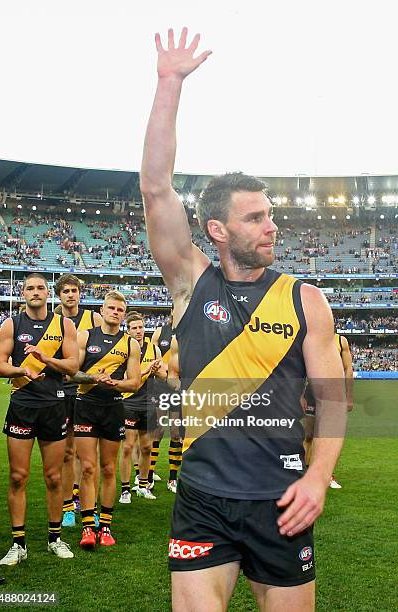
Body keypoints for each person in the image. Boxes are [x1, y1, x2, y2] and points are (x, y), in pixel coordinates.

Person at [140, 28, 347, 611]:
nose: (270, 226)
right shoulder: (190, 281)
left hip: (280, 498)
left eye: (270, 215)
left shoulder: (306, 299)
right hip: (202, 496)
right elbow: (156, 189)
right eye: (254, 218)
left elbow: (332, 399)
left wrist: (316, 478)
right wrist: (168, 84)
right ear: (218, 230)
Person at [0, 272, 79, 565]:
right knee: (18, 477)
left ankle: (55, 538)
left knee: (54, 477)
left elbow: (72, 365)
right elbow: (0, 364)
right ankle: (19, 543)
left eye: (40, 287)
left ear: (48, 293)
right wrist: (22, 371)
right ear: (23, 293)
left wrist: (46, 359)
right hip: (23, 404)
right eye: (30, 288)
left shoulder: (64, 324)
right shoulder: (12, 323)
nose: (35, 292)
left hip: (54, 405)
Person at [72, 291, 140, 549]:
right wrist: (92, 378)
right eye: (110, 308)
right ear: (101, 310)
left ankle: (106, 527)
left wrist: (115, 383)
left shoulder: (130, 344)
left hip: (113, 408)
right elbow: (71, 375)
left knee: (109, 468)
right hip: (86, 406)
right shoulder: (85, 336)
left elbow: (133, 383)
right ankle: (88, 526)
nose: (115, 312)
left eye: (119, 310)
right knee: (89, 467)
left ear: (123, 314)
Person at [54, 274, 102, 528]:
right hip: (61, 392)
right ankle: (68, 506)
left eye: (75, 291)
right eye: (66, 291)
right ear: (59, 295)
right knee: (66, 452)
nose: (71, 295)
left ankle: (88, 505)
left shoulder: (93, 319)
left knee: (87, 456)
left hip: (86, 392)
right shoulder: (54, 320)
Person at [119, 312, 165, 503]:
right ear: (127, 330)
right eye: (134, 328)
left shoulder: (154, 350)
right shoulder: (122, 349)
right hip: (128, 402)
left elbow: (163, 374)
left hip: (148, 403)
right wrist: (146, 371)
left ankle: (143, 485)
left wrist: (159, 371)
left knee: (147, 447)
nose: (138, 331)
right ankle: (125, 490)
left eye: (141, 327)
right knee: (128, 447)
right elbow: (125, 380)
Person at [302, 333, 354, 489]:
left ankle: (327, 475)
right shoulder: (310, 339)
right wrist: (300, 395)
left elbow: (348, 369)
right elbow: (301, 370)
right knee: (309, 435)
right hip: (311, 393)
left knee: (329, 436)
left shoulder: (340, 341)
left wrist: (349, 397)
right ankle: (304, 474)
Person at [150, 310, 183, 493]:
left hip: (179, 388)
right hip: (161, 386)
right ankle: (150, 475)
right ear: (172, 311)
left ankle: (172, 478)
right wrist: (166, 376)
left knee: (176, 432)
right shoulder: (159, 332)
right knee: (158, 431)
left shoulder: (189, 332)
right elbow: (154, 360)